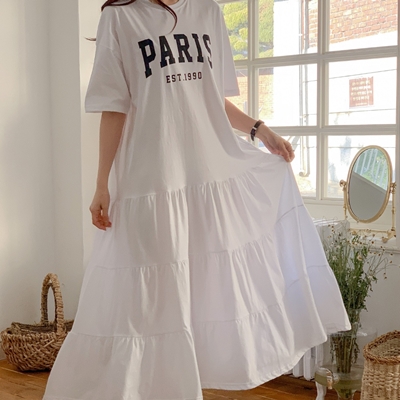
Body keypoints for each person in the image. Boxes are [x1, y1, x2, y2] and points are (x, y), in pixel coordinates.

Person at [42, 0, 351, 399]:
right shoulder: (120, 17)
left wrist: (260, 130)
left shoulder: (207, 12)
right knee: (145, 303)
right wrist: (102, 184)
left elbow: (211, 98)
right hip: (149, 182)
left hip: (204, 175)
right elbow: (113, 107)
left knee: (198, 297)